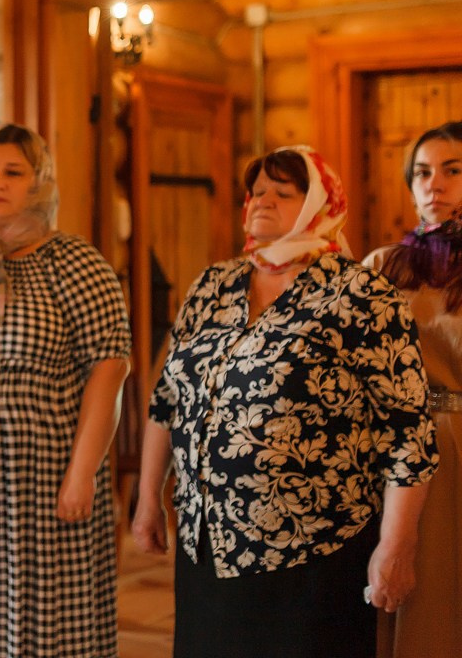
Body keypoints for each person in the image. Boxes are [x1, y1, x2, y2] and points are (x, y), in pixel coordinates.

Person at [132, 145, 439, 658]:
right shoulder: (213, 285)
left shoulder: (359, 294)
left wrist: (396, 544)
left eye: (283, 192)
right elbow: (167, 401)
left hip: (313, 549)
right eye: (256, 191)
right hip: (207, 545)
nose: (262, 200)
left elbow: (408, 431)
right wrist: (147, 499)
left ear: (319, 204)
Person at [0, 123, 132, 658]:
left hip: (43, 475)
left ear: (40, 182)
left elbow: (108, 371)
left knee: (46, 618)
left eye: (14, 172)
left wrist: (82, 473)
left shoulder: (75, 263)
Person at [364, 122, 462, 658]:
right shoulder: (382, 266)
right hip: (389, 446)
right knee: (400, 594)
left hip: (459, 444)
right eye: (422, 172)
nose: (434, 184)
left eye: (452, 170)